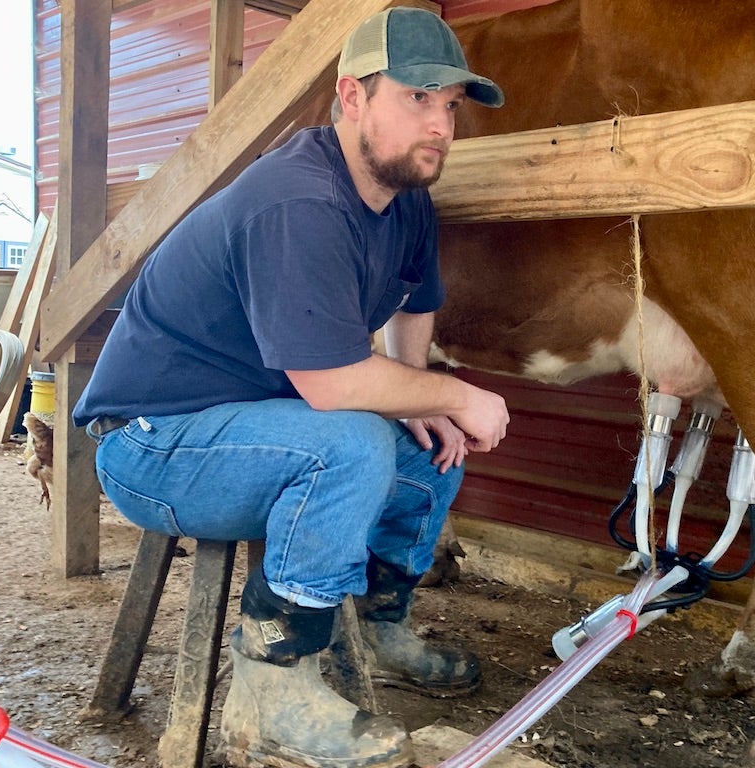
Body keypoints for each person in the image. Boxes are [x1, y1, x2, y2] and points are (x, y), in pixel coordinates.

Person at [73, 8, 508, 768]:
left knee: (432, 448)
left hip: (253, 422)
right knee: (350, 444)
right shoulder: (300, 199)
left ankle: (380, 623)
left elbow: (417, 299)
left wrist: (432, 400)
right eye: (417, 98)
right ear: (351, 98)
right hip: (153, 444)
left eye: (450, 104)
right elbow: (333, 385)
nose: (440, 122)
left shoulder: (405, 197)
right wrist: (453, 394)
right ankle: (274, 693)